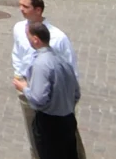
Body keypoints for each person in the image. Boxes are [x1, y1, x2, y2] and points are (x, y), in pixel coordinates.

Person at [10, 0, 78, 158]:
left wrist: (66, 101)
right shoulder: (19, 29)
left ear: (38, 10)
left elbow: (71, 70)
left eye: (26, 6)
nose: (21, 10)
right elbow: (18, 54)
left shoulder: (58, 38)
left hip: (55, 99)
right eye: (20, 5)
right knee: (36, 138)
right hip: (27, 88)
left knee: (63, 143)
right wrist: (21, 79)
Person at [23, 20, 81, 159]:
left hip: (49, 124)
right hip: (68, 120)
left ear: (36, 40)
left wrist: (24, 88)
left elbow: (39, 99)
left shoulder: (41, 64)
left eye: (28, 37)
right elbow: (76, 93)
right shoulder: (63, 61)